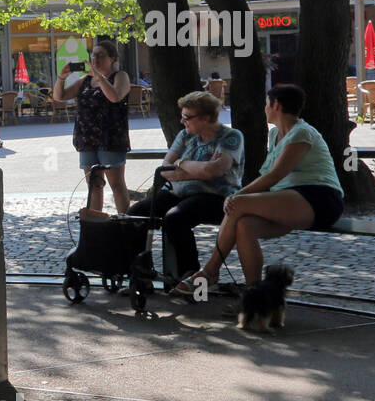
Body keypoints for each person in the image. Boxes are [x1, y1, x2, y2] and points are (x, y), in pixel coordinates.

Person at [176, 84, 344, 293]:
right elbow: (268, 176)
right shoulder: (275, 134)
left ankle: (210, 271)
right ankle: (253, 294)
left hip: (319, 198)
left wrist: (239, 194)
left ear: (276, 105)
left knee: (237, 204)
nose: (264, 109)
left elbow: (274, 175)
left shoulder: (301, 133)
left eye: (266, 104)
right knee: (245, 225)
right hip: (289, 200)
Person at [127, 90, 244, 287]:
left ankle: (189, 277)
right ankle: (140, 273)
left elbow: (213, 171)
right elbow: (165, 168)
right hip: (178, 192)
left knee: (175, 218)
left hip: (215, 196)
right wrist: (197, 167)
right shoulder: (185, 135)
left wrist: (181, 164)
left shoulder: (231, 137)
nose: (182, 121)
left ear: (206, 118)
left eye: (187, 117)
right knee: (135, 214)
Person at [54, 39, 132, 213]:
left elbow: (115, 96)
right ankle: (96, 226)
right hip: (87, 138)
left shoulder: (120, 76)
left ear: (111, 58)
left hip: (110, 137)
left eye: (100, 55)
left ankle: (126, 223)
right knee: (94, 185)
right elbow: (60, 96)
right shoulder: (85, 80)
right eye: (93, 55)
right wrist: (61, 77)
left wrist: (99, 77)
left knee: (116, 184)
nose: (95, 59)